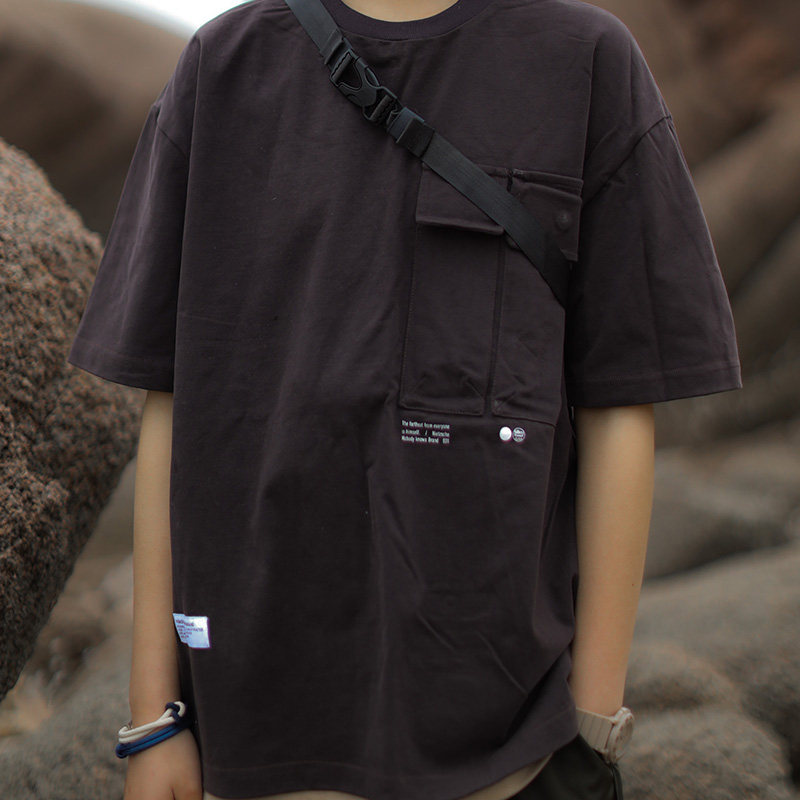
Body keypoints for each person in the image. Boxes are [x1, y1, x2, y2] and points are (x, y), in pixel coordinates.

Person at [65, 0, 743, 797]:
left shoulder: (585, 59)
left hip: (508, 752)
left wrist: (592, 722)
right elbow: (172, 406)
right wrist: (155, 719)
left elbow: (620, 405)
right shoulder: (225, 64)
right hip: (248, 738)